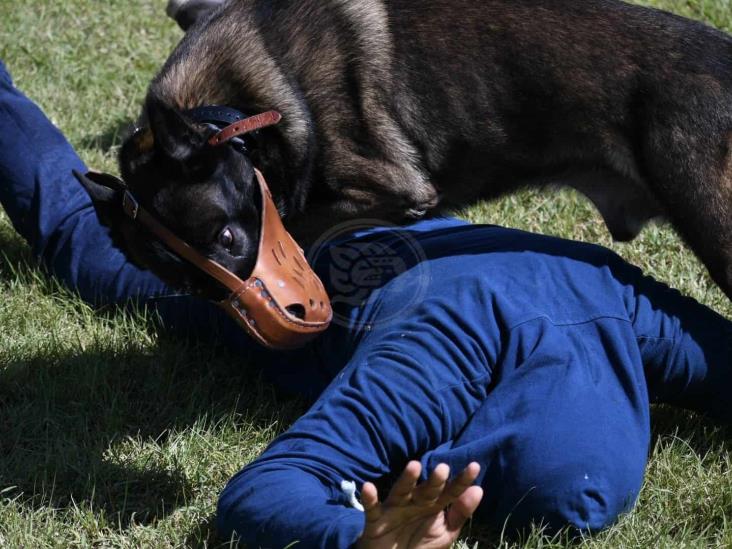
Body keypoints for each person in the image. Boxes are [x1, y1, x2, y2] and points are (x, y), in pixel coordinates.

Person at [1, 56, 730, 549]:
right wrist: (358, 536)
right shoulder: (429, 371)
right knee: (84, 238)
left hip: (335, 222)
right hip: (251, 277)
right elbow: (261, 493)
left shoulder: (618, 296)